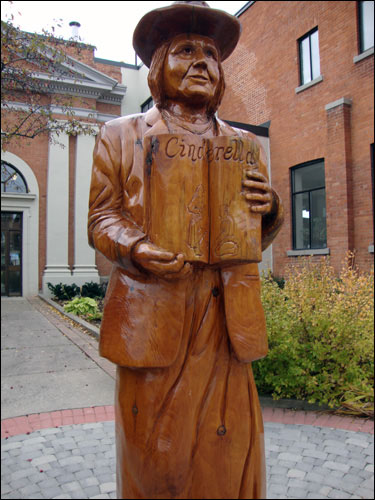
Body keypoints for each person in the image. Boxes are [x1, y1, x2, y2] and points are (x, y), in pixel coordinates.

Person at [88, 2, 283, 498]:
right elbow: (101, 217)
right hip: (154, 316)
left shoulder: (243, 144)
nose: (202, 62)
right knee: (156, 453)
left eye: (212, 55)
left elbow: (251, 236)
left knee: (232, 446)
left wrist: (272, 209)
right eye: (185, 51)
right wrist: (136, 247)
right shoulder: (120, 135)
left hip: (224, 324)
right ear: (156, 68)